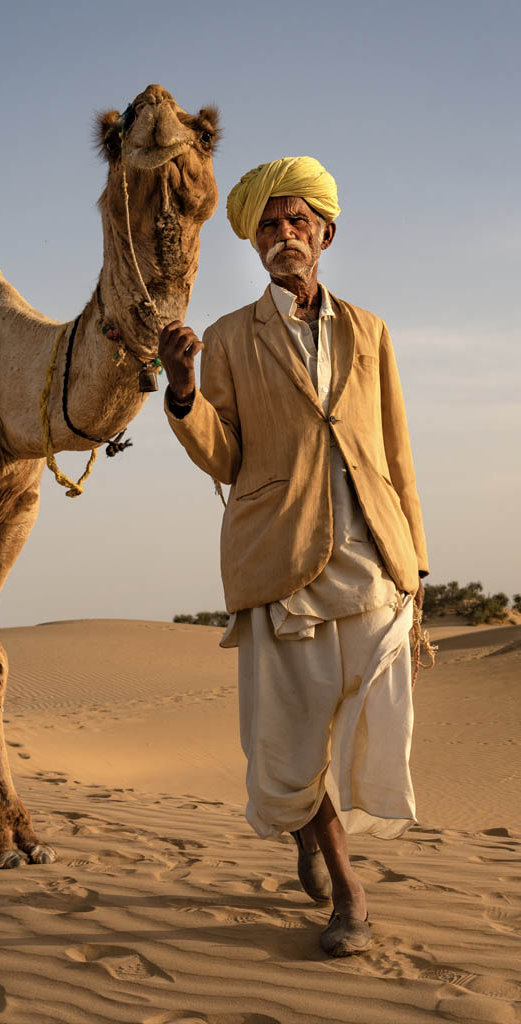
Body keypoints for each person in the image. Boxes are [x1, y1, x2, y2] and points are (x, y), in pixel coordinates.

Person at [158, 156, 427, 957]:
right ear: (256, 242)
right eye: (269, 226)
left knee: (371, 717)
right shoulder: (231, 338)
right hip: (280, 558)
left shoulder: (371, 330)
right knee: (291, 737)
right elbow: (225, 455)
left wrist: (417, 562)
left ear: (326, 233)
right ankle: (348, 889)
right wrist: (182, 392)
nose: (283, 236)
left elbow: (399, 453)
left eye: (297, 222)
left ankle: (315, 831)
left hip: (375, 556)